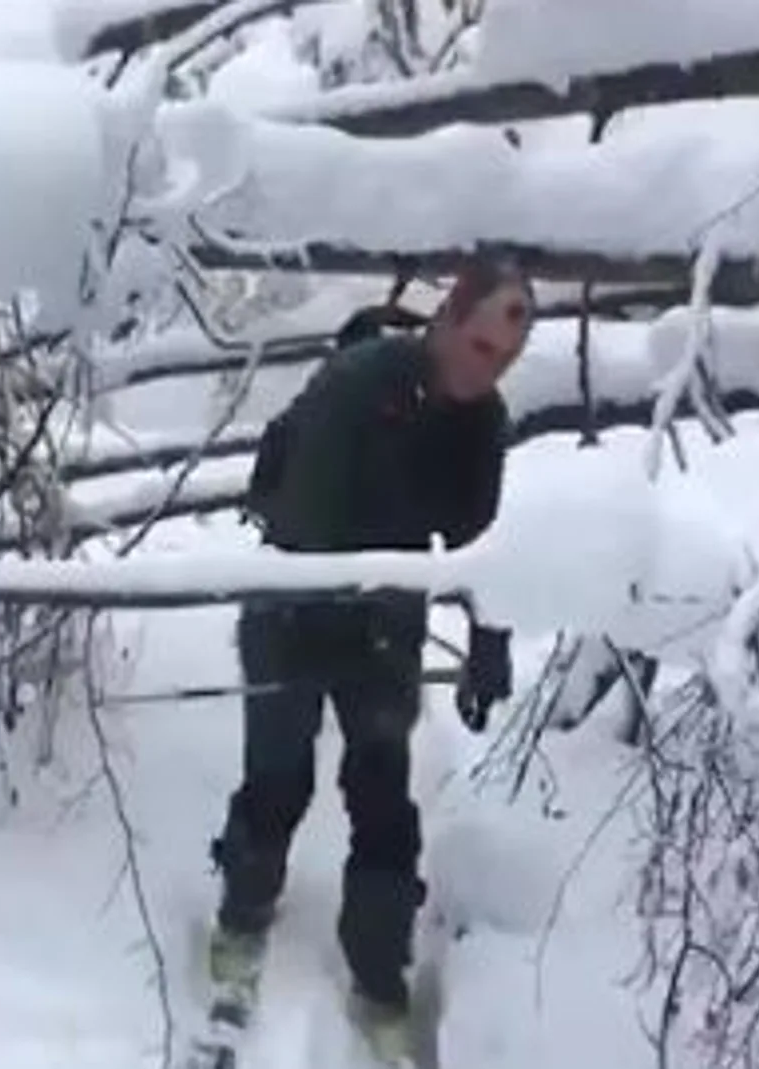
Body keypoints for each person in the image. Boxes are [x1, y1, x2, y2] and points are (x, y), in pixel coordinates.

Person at [207, 251, 533, 1062]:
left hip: (385, 617)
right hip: (291, 599)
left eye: (507, 358)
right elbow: (309, 515)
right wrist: (349, 620)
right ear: (449, 322)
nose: (489, 368)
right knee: (279, 775)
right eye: (482, 345)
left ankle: (380, 976)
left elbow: (476, 540)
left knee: (382, 791)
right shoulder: (361, 380)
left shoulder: (482, 423)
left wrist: (489, 638)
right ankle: (242, 924)